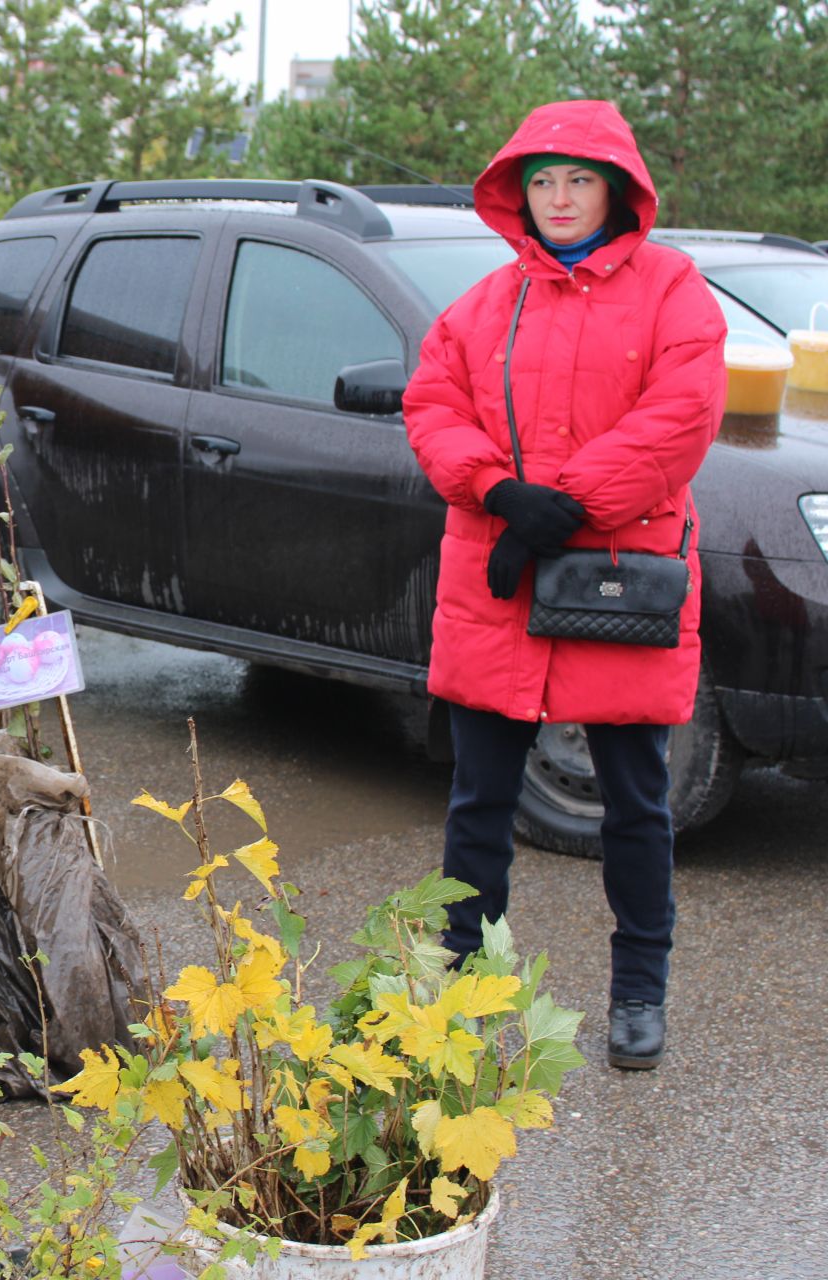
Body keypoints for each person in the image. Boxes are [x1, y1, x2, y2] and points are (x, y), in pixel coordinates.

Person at [403, 100, 726, 1071]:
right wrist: (497, 487)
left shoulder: (674, 290)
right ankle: (466, 983)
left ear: (617, 188)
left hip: (617, 581)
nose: (559, 198)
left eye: (578, 180)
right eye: (541, 181)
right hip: (496, 584)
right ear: (520, 194)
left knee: (636, 801)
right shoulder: (485, 302)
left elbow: (682, 415)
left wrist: (565, 504)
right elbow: (432, 400)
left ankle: (638, 987)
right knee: (479, 802)